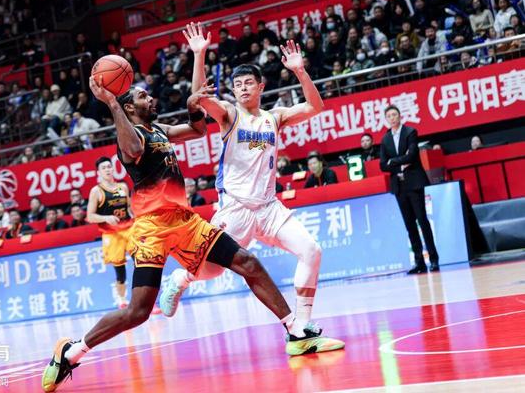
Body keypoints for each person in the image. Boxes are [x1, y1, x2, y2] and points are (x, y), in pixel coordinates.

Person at [41, 72, 334, 392]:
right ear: (129, 108)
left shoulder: (159, 129)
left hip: (185, 221)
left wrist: (194, 107)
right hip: (152, 229)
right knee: (138, 312)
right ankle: (72, 352)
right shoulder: (129, 136)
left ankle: (295, 330)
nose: (150, 98)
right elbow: (131, 147)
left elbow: (197, 130)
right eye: (142, 97)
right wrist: (112, 103)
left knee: (247, 262)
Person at [160, 22, 343, 351]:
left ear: (261, 86)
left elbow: (315, 107)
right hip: (236, 208)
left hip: (269, 208)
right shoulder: (230, 115)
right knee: (210, 271)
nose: (243, 88)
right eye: (237, 84)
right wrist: (199, 54)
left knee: (311, 251)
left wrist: (300, 72)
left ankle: (301, 329)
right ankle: (181, 278)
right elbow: (199, 100)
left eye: (248, 83)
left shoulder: (275, 117)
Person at [380, 105, 440, 274]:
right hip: (399, 186)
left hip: (414, 183)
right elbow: (383, 165)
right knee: (410, 225)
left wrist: (393, 161)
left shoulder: (410, 132)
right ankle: (419, 262)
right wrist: (400, 162)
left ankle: (433, 259)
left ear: (400, 116)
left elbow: (412, 155)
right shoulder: (385, 139)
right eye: (389, 116)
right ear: (386, 119)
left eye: (394, 115)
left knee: (422, 221)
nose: (392, 118)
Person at [86, 157, 135, 309]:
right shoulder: (96, 191)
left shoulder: (123, 187)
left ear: (113, 169)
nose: (107, 169)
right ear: (98, 172)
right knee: (120, 270)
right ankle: (122, 300)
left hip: (129, 228)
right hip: (111, 233)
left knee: (142, 262)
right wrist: (106, 218)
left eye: (109, 166)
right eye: (104, 168)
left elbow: (130, 208)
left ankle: (144, 300)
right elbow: (90, 216)